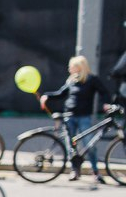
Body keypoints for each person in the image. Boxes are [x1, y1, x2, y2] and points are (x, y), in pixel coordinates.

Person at [41, 55, 114, 184]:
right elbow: (61, 93)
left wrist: (106, 103)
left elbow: (104, 92)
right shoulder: (71, 80)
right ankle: (75, 170)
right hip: (69, 116)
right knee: (71, 146)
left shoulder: (91, 80)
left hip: (84, 117)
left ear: (80, 67)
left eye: (72, 66)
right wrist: (47, 96)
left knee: (89, 145)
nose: (69, 69)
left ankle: (95, 171)